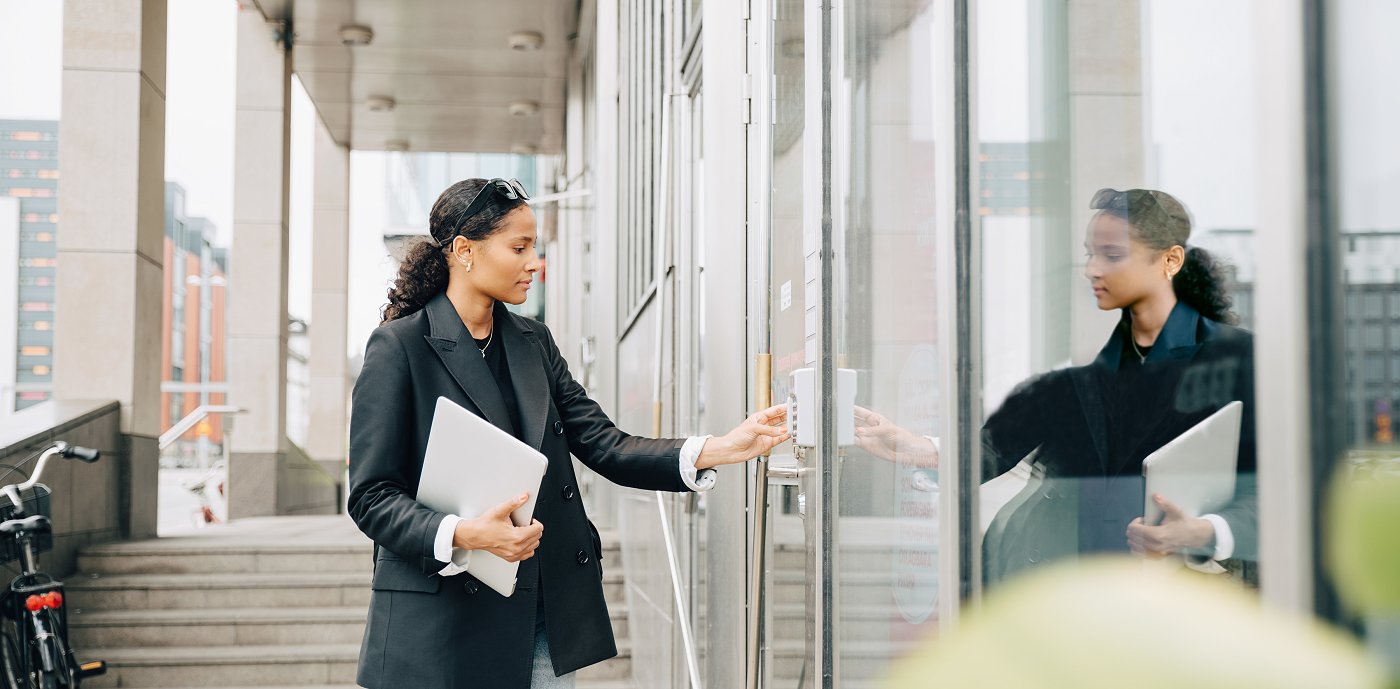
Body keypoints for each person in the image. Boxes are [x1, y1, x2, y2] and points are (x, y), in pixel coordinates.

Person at [347, 178, 790, 689]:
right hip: (440, 621)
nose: (535, 263)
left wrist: (723, 447)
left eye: (535, 247)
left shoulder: (533, 341)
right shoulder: (399, 347)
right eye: (519, 247)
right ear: (464, 251)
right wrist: (465, 533)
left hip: (537, 609)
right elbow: (372, 496)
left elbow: (604, 443)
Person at [854, 188, 1257, 584]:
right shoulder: (1098, 367)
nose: (1092, 270)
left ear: (1170, 260)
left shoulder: (1239, 359)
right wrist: (917, 448)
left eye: (1112, 255)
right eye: (1090, 254)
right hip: (1059, 584)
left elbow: (1277, 487)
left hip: (1169, 602)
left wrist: (1208, 533)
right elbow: (997, 447)